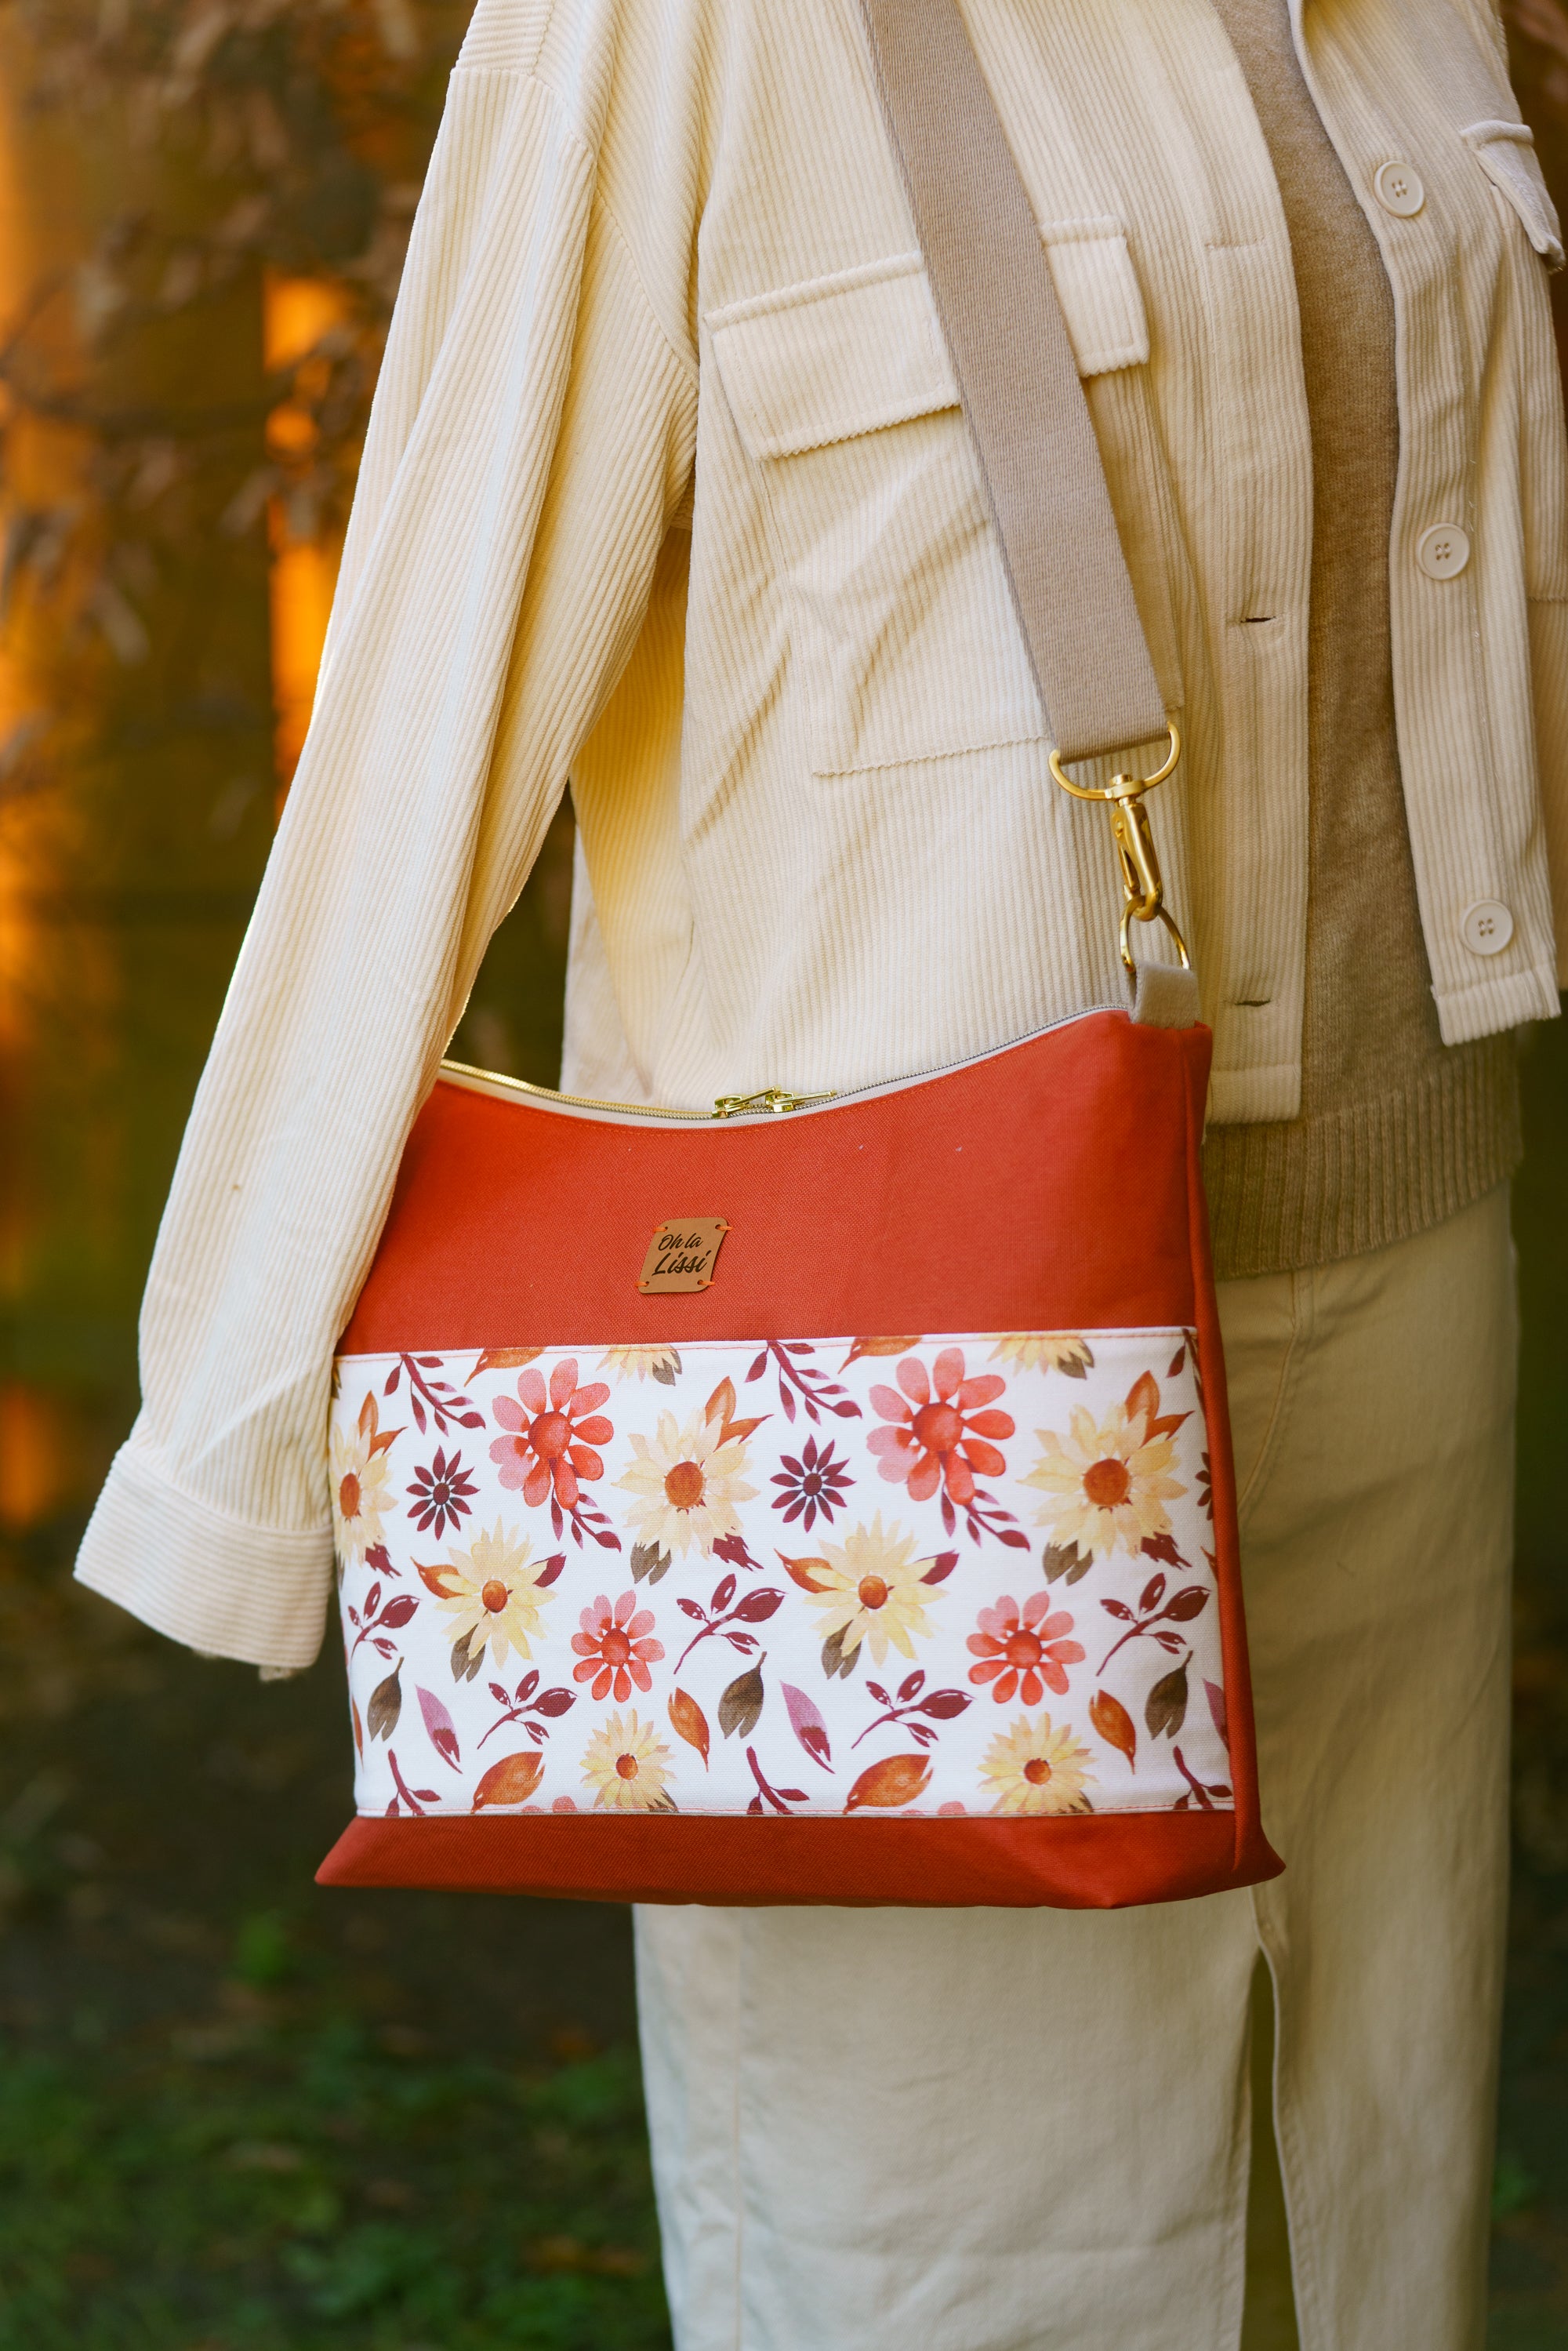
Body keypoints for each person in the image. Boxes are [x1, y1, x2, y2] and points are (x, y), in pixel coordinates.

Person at [76, 0, 1566, 2344]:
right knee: (950, 2269)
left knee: (1372, 2242)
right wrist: (245, 1443)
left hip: (1404, 1316)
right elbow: (430, 691)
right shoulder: (677, 29)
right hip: (888, 1429)